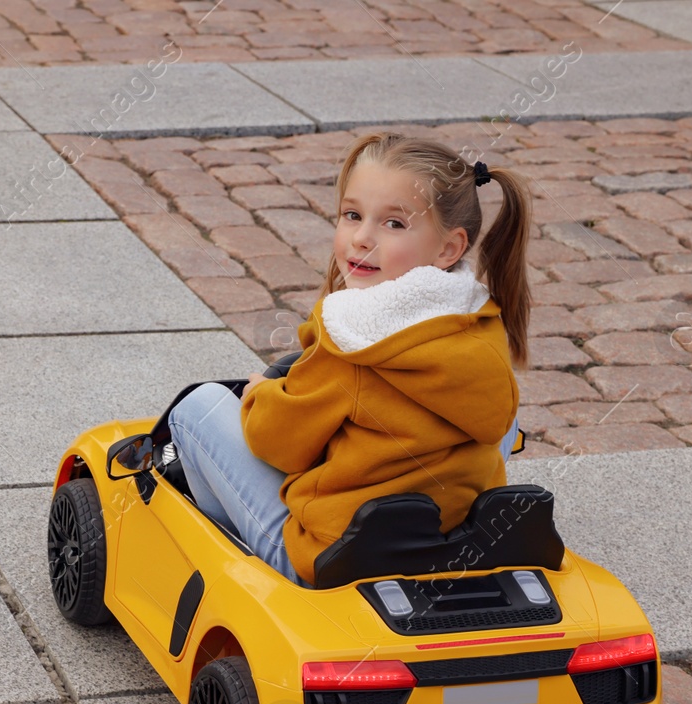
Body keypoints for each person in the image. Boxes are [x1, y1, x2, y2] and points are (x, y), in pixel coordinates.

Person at [167, 132, 530, 587]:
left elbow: (276, 445)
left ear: (448, 248)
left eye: (393, 224)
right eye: (352, 215)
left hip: (333, 559)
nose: (361, 239)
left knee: (196, 409)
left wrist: (261, 395)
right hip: (451, 540)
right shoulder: (479, 321)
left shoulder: (354, 341)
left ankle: (234, 554)